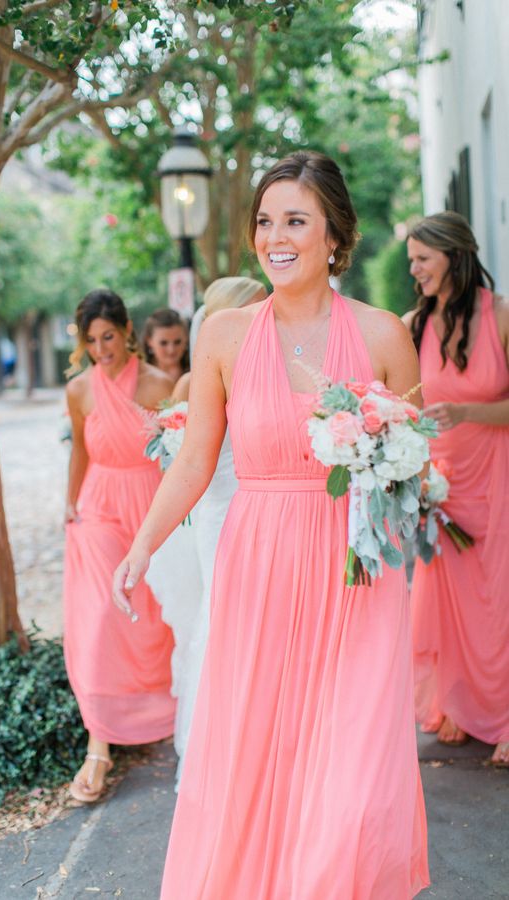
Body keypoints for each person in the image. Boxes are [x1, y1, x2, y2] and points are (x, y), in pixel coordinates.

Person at [114, 151, 429, 898]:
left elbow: (418, 468)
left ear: (334, 237)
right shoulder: (223, 335)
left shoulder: (384, 335)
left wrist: (390, 465)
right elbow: (194, 462)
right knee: (260, 751)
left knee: (352, 766)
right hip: (258, 567)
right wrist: (141, 543)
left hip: (354, 573)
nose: (275, 236)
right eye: (265, 220)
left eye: (296, 219)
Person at [145, 277, 267, 786]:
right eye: (257, 311)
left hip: (267, 508)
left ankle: (261, 737)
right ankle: (217, 749)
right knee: (222, 620)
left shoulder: (272, 371)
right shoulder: (190, 384)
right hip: (218, 513)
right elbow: (183, 460)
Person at [404, 212, 509, 766]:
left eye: (422, 258)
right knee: (450, 604)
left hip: (498, 478)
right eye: (411, 260)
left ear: (454, 256)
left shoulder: (502, 319)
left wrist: (469, 411)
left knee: (501, 601)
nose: (414, 269)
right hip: (441, 487)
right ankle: (456, 703)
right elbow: (400, 407)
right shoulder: (413, 325)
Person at [63, 289, 176, 802]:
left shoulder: (160, 384)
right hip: (99, 509)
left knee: (153, 615)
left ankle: (162, 708)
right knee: (103, 616)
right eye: (91, 340)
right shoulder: (80, 390)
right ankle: (99, 742)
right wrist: (70, 503)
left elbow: (178, 455)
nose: (100, 349)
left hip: (148, 503)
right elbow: (80, 453)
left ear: (127, 330)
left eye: (107, 336)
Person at [141, 308, 189, 383]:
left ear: (186, 338)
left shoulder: (197, 372)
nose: (171, 350)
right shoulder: (139, 377)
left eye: (177, 342)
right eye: (163, 343)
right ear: (149, 341)